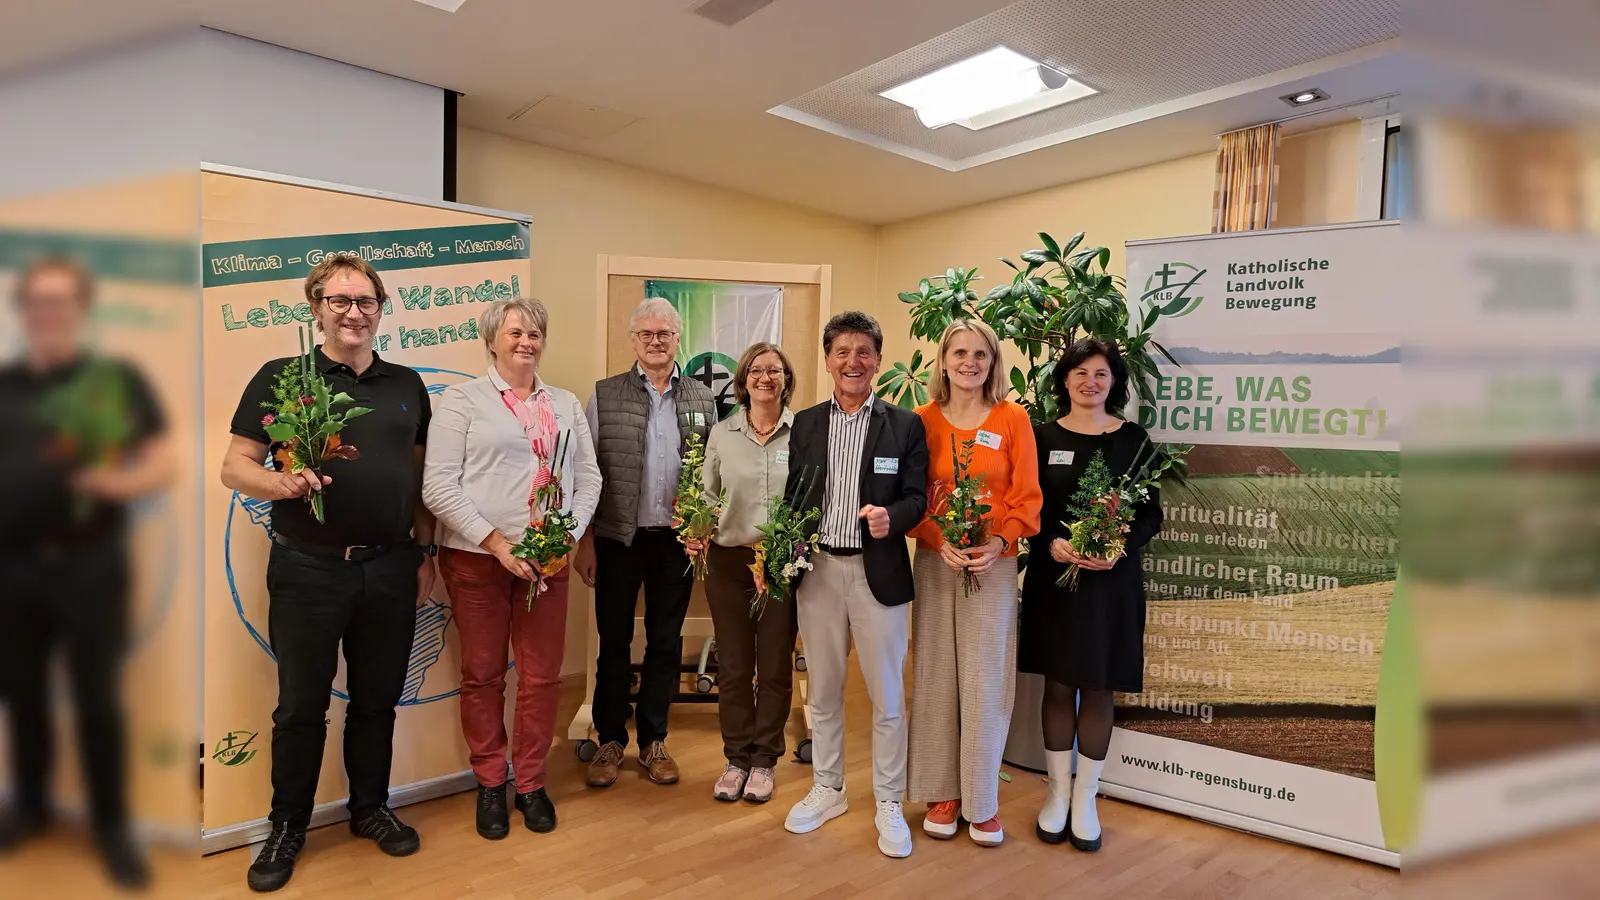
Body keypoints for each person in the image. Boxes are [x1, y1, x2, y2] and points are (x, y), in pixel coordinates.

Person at [220, 255, 436, 893]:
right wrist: (283, 482)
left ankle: (368, 808)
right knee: (301, 708)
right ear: (316, 308)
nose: (353, 312)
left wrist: (424, 552)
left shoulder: (407, 384)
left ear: (379, 309)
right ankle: (287, 825)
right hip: (308, 572)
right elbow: (235, 466)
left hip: (391, 568)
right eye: (339, 300)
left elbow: (419, 480)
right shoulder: (283, 378)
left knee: (377, 701)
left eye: (365, 301)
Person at [0, 256, 172, 889]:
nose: (48, 313)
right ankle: (32, 810)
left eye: (60, 301)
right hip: (12, 568)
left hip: (92, 567)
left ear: (80, 308)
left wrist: (109, 482)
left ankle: (110, 829)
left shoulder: (116, 380)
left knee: (98, 700)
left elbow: (160, 466)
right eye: (37, 302)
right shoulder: (5, 384)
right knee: (22, 695)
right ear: (25, 311)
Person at [422, 298, 601, 839]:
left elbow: (588, 478)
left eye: (536, 333)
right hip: (478, 560)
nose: (527, 341)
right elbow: (437, 486)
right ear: (492, 341)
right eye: (516, 332)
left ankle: (529, 781)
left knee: (542, 677)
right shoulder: (462, 401)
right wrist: (497, 543)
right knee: (483, 675)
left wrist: (565, 537)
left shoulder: (565, 403)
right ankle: (490, 781)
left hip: (547, 562)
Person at [781, 311, 928, 859]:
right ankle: (829, 786)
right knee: (823, 690)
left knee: (887, 695)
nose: (852, 362)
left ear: (878, 360)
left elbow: (918, 496)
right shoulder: (807, 424)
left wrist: (896, 517)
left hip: (878, 575)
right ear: (827, 361)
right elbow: (795, 497)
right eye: (842, 352)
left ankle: (889, 800)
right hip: (818, 571)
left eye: (863, 352)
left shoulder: (904, 425)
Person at [1019, 338, 1163, 852]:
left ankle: (1086, 798)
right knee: (1058, 686)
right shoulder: (1039, 437)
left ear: (1114, 382)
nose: (1090, 382)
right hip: (1055, 580)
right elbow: (1024, 507)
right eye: (1080, 372)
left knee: (1099, 686)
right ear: (1064, 380)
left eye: (1101, 374)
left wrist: (1120, 544)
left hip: (1111, 584)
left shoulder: (1135, 440)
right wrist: (1049, 543)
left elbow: (1151, 514)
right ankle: (1056, 794)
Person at [906, 319, 1041, 847]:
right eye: (959, 353)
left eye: (980, 354)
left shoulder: (1013, 419)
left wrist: (999, 543)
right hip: (938, 560)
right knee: (937, 675)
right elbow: (911, 497)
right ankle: (943, 792)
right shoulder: (920, 421)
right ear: (942, 361)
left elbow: (1027, 496)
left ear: (993, 362)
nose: (969, 362)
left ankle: (982, 801)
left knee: (985, 680)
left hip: (993, 561)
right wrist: (940, 540)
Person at [574, 297, 715, 788]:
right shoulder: (605, 394)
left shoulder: (701, 397)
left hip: (674, 543)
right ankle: (611, 739)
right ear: (633, 340)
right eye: (647, 334)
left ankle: (655, 740)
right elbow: (587, 473)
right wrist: (585, 541)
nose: (656, 342)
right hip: (617, 539)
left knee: (664, 643)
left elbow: (711, 476)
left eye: (665, 334)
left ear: (678, 339)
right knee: (613, 642)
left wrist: (702, 530)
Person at [683, 342, 798, 805]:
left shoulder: (803, 431)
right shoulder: (722, 433)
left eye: (775, 370)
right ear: (743, 379)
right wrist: (694, 530)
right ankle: (736, 759)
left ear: (786, 378)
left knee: (773, 665)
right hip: (729, 562)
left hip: (781, 560)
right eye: (756, 369)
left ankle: (765, 759)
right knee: (733, 667)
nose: (764, 377)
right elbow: (707, 495)